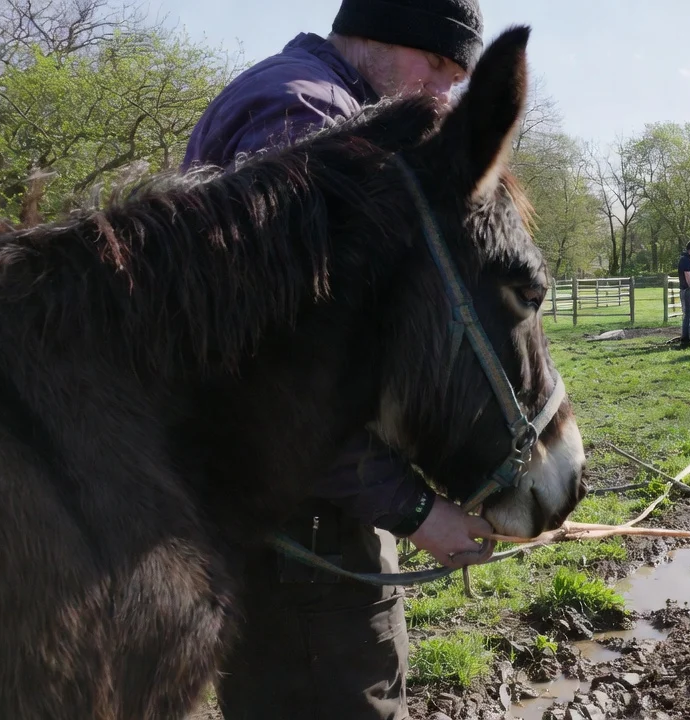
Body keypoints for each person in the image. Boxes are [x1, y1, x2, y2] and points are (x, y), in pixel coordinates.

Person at [181, 2, 490, 718]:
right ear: (381, 34)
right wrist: (416, 510)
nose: (446, 93)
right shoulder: (305, 122)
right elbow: (282, 383)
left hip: (296, 525)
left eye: (458, 77)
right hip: (302, 541)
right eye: (438, 66)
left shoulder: (302, 99)